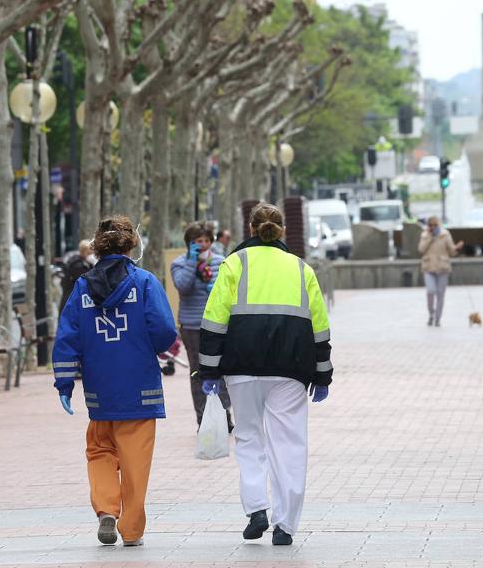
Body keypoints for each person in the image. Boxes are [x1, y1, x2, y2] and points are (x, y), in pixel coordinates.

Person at [198, 203, 333, 546]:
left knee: (248, 437)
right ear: (282, 228)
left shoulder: (234, 264)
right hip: (291, 368)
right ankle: (285, 525)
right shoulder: (302, 269)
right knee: (288, 444)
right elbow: (320, 326)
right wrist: (322, 373)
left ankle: (257, 508)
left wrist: (209, 371)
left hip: (241, 366)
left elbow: (214, 319)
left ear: (251, 227)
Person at [52, 216, 177, 547]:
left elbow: (67, 336)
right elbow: (164, 331)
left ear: (98, 245)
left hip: (100, 391)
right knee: (135, 463)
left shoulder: (81, 287)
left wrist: (65, 383)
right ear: (130, 244)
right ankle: (132, 529)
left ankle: (107, 509)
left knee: (100, 451)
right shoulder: (146, 283)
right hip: (140, 390)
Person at [170, 222, 233, 430]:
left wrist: (215, 289)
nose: (204, 245)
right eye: (198, 241)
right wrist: (191, 262)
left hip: (217, 324)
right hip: (192, 326)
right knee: (198, 372)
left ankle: (224, 416)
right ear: (190, 243)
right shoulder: (179, 263)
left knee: (221, 370)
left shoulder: (220, 262)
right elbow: (183, 286)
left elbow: (227, 291)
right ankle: (203, 418)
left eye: (207, 240)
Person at [417, 216, 464, 327]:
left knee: (440, 294)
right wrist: (430, 238)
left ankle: (438, 318)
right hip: (429, 267)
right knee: (430, 291)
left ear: (439, 225)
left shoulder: (445, 235)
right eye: (430, 225)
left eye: (435, 225)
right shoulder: (424, 235)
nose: (433, 227)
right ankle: (431, 314)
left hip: (442, 267)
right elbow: (421, 250)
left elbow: (451, 252)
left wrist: (457, 248)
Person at [59, 239, 96, 314]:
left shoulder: (87, 264)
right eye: (88, 253)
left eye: (92, 253)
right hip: (72, 301)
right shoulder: (77, 266)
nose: (91, 255)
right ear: (82, 252)